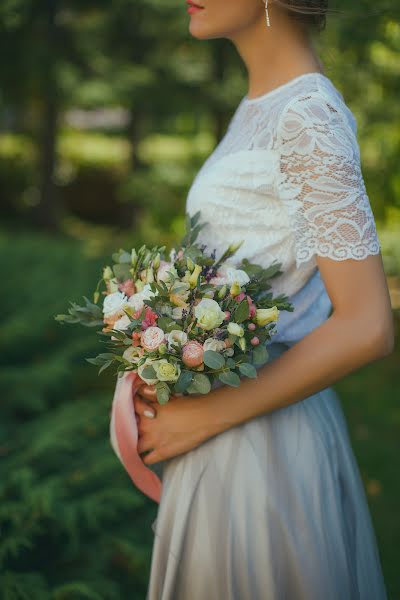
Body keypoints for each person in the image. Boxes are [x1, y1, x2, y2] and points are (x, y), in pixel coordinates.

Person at [133, 1, 394, 598]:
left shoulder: (307, 115)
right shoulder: (262, 104)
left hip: (263, 439)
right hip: (229, 422)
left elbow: (369, 324)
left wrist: (203, 417)